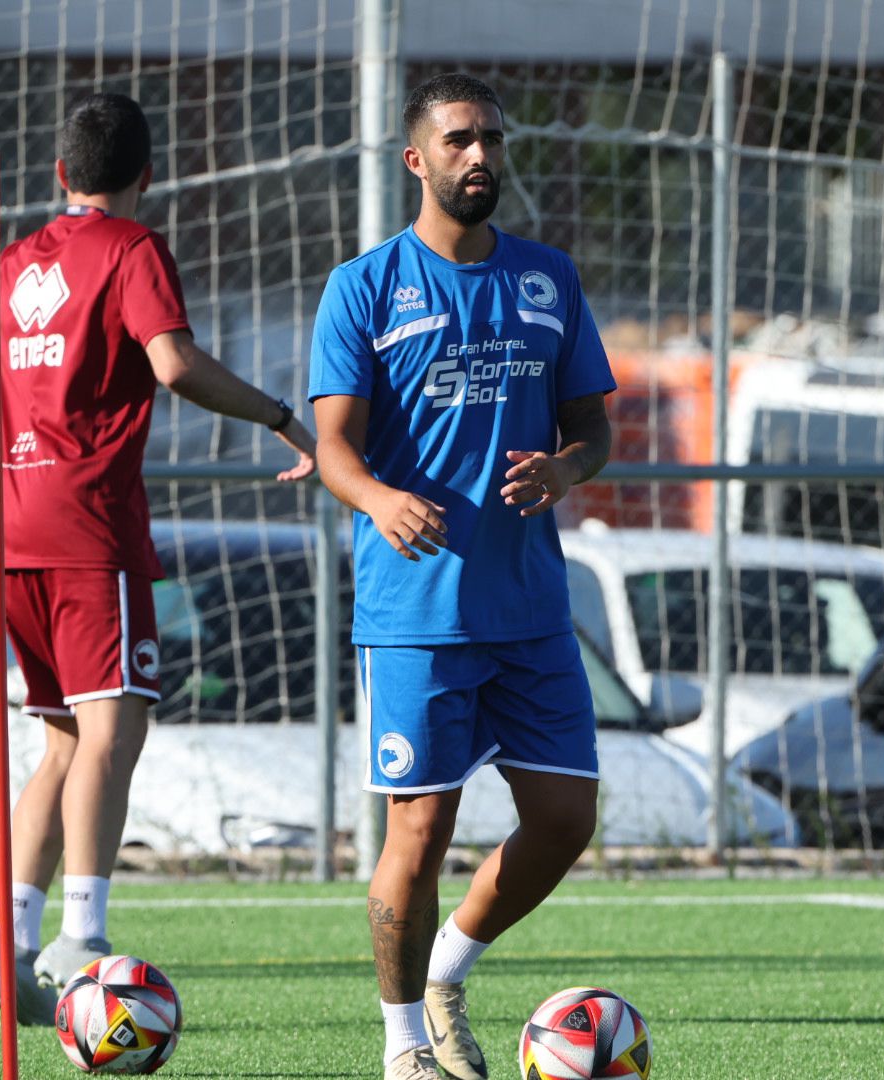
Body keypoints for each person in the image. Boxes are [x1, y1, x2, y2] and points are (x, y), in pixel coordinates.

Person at [0, 92, 317, 1026]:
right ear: (147, 175)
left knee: (62, 737)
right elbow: (174, 363)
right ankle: (83, 934)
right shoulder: (133, 251)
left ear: (61, 174)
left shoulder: (19, 258)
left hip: (14, 529)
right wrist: (276, 415)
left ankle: (11, 939)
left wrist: (26, 380)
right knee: (115, 729)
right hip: (92, 527)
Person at [309, 73, 615, 1080]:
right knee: (421, 827)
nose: (479, 156)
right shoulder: (364, 287)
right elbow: (336, 449)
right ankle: (404, 1047)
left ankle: (447, 971)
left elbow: (594, 427)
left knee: (567, 817)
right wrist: (378, 500)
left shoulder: (549, 279)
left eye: (490, 138)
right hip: (417, 613)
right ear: (417, 159)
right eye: (458, 142)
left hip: (528, 606)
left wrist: (566, 467)